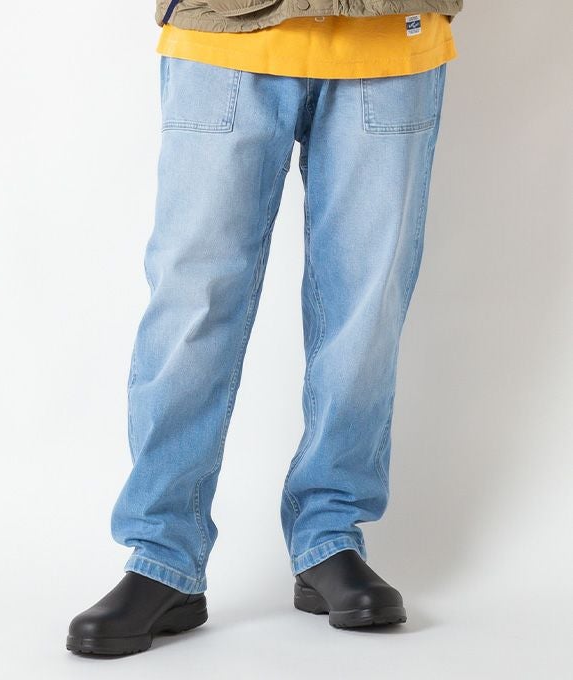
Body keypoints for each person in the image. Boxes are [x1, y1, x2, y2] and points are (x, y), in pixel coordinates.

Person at [66, 0, 464, 656]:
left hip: (390, 31)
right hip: (223, 30)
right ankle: (163, 553)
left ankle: (329, 537)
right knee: (192, 303)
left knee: (365, 311)